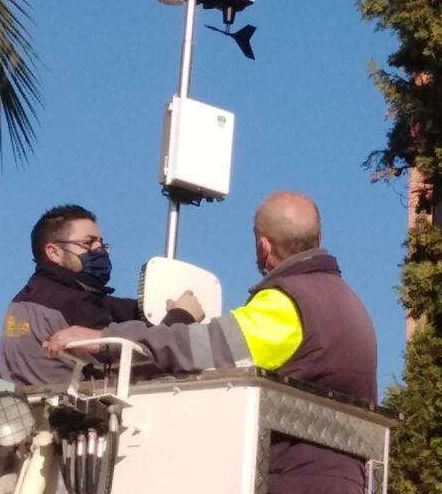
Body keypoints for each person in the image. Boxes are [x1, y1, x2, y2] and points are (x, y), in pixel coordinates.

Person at [44, 192, 378, 493]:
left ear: (263, 246)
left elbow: (203, 348)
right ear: (318, 238)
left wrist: (108, 339)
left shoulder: (289, 305)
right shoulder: (352, 306)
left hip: (294, 481)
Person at [0, 204, 203, 386]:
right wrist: (180, 317)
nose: (99, 249)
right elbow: (140, 360)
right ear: (54, 253)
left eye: (101, 243)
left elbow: (112, 306)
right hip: (76, 422)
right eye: (88, 243)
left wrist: (150, 305)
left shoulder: (29, 298)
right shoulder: (71, 304)